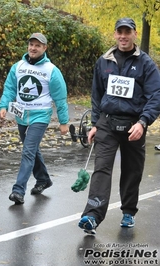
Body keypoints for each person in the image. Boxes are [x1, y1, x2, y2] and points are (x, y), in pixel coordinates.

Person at [78, 18, 160, 235]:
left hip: (134, 124)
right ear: (115, 34)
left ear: (134, 34)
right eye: (119, 32)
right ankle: (92, 216)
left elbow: (155, 96)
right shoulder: (103, 61)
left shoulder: (146, 64)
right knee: (102, 168)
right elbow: (96, 94)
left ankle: (129, 212)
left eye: (128, 32)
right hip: (107, 122)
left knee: (132, 170)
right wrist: (95, 124)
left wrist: (143, 122)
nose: (123, 36)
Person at [0, 32, 69, 205]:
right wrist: (3, 105)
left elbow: (60, 98)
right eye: (31, 44)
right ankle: (43, 179)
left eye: (38, 45)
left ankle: (18, 190)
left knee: (28, 152)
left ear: (44, 48)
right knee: (32, 150)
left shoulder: (52, 70)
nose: (33, 48)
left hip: (41, 116)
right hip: (21, 114)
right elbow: (9, 88)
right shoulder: (18, 66)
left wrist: (64, 121)